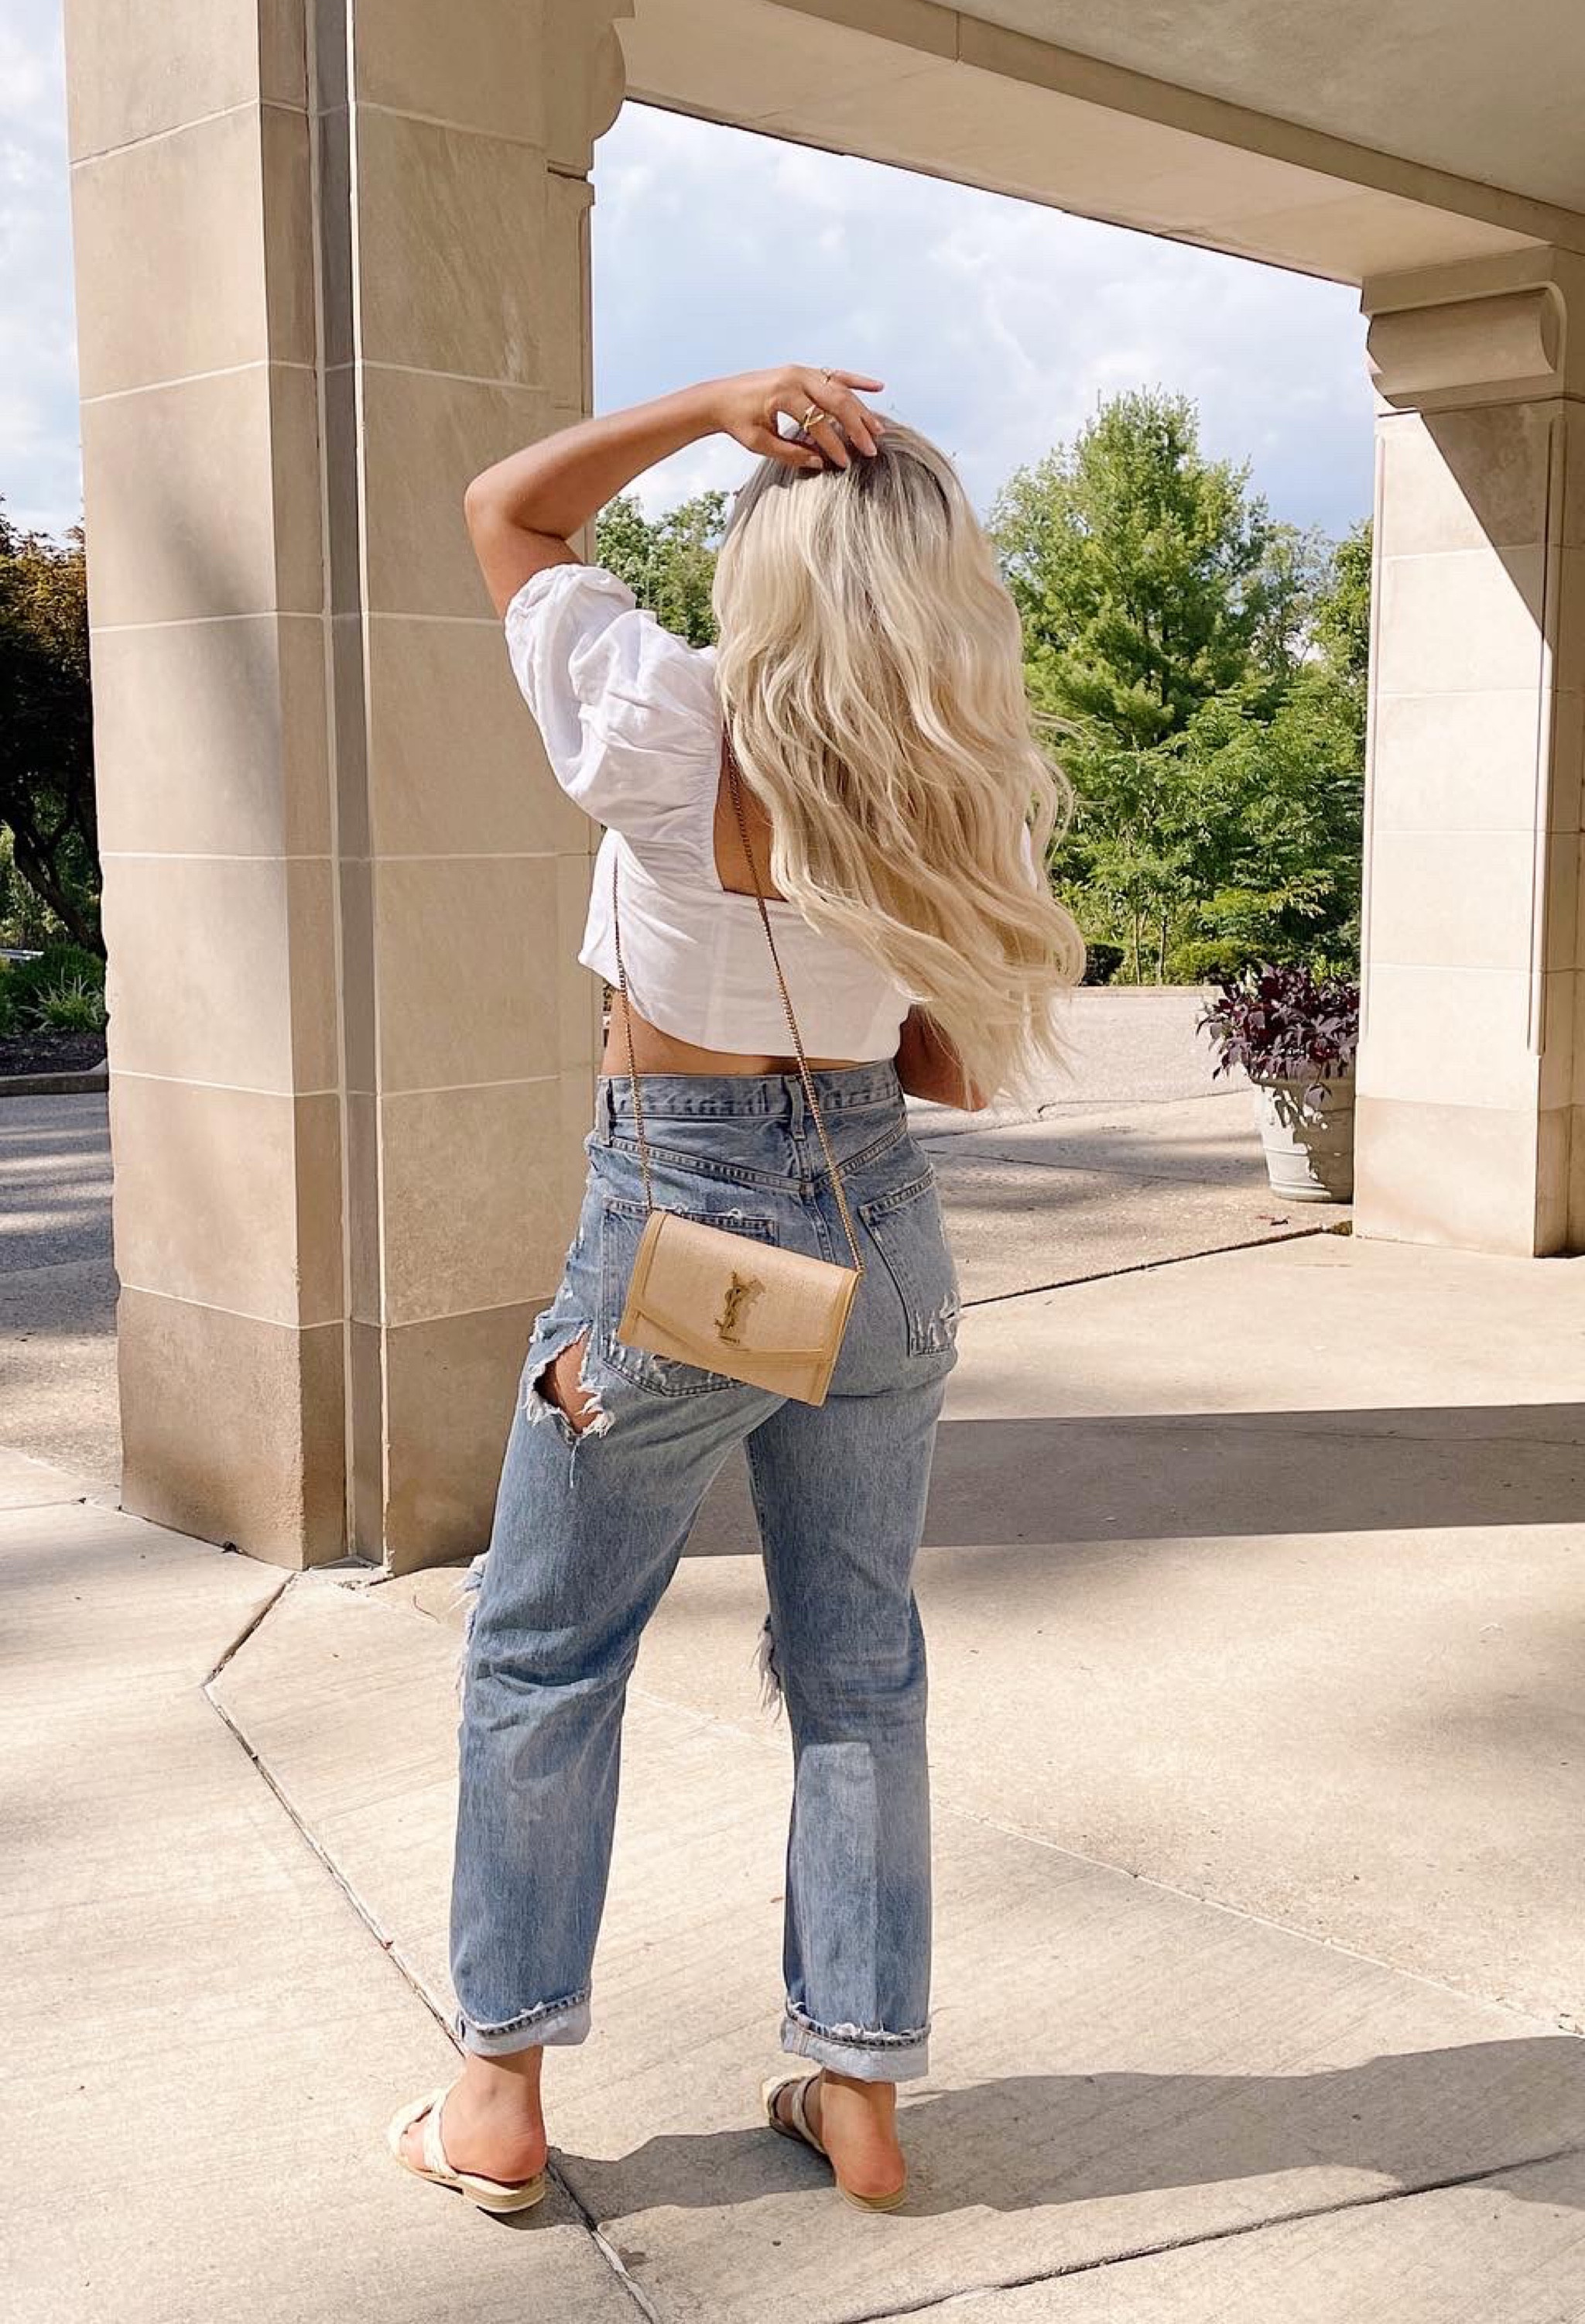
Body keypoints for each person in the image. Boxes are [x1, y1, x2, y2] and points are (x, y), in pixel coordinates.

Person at [389, 366, 1083, 2216]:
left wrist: (712, 407)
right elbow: (947, 1072)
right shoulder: (960, 780)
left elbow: (511, 510)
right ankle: (859, 2094)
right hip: (882, 1235)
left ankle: (496, 2095)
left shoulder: (662, 718)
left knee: (546, 1654)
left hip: (681, 1237)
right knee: (859, 1668)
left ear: (766, 566)